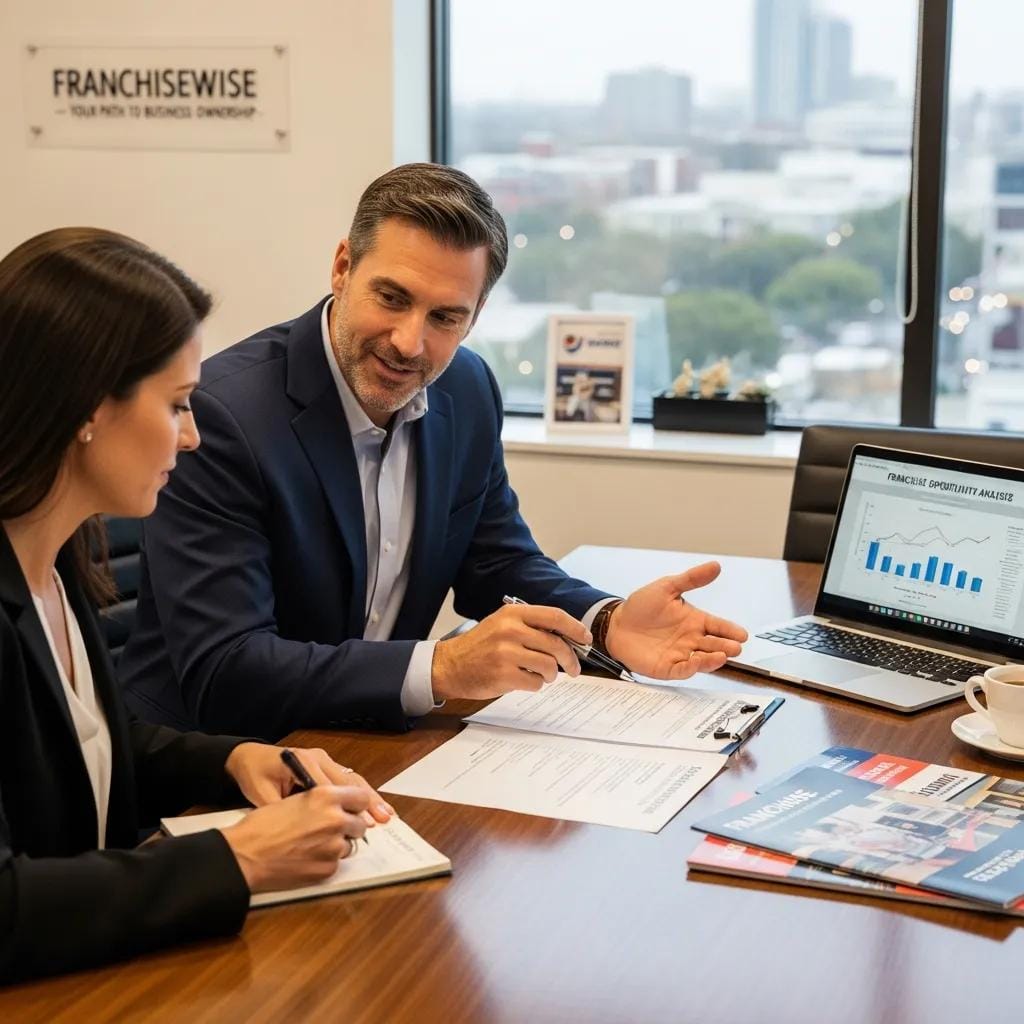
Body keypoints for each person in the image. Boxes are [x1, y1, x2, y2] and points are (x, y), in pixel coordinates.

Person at [120, 163, 748, 741]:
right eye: (391, 298)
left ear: (475, 317)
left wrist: (606, 621)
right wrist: (443, 667)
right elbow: (227, 669)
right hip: (216, 761)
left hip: (365, 743)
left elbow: (496, 562)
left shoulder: (467, 389)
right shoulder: (226, 416)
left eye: (446, 317)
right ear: (342, 267)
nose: (409, 342)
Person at [0, 228, 392, 983]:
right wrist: (237, 857)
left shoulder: (56, 558)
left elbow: (79, 751)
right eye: (178, 405)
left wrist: (235, 759)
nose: (192, 437)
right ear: (87, 407)